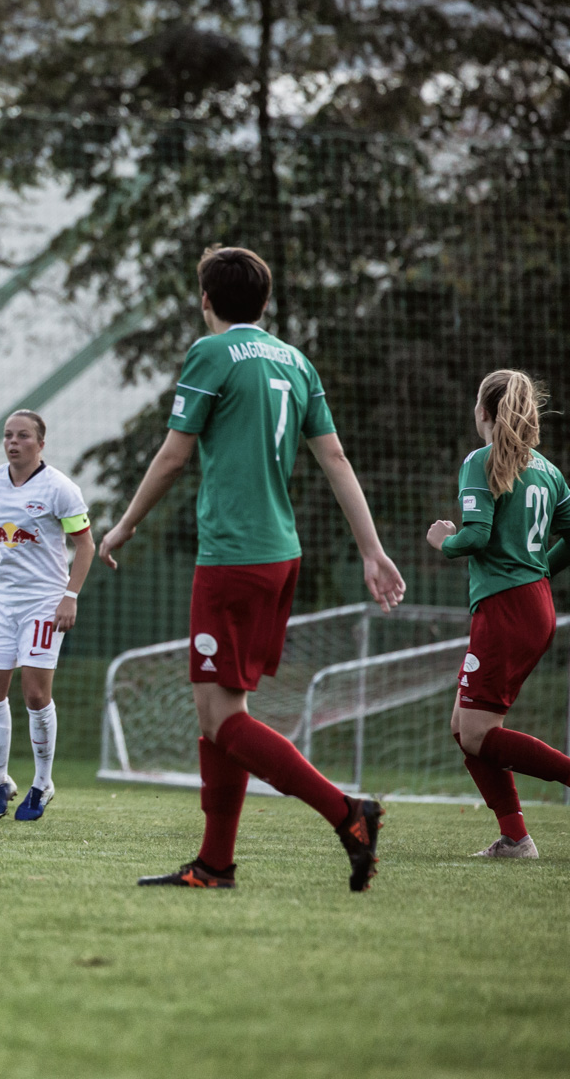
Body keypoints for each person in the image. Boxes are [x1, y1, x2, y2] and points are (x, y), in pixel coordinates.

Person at [100, 246, 406, 891]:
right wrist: (372, 549)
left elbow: (174, 455)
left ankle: (347, 811)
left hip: (233, 555)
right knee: (221, 710)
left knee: (219, 720)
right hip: (279, 553)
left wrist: (126, 523)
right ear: (263, 303)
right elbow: (338, 460)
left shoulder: (210, 353)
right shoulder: (295, 359)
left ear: (205, 300)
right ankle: (214, 864)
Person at [424, 369, 570, 859]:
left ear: (483, 412)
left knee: (476, 733)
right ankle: (514, 837)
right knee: (463, 728)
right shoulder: (547, 470)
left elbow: (475, 536)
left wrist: (443, 541)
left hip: (507, 610)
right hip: (535, 606)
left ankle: (521, 833)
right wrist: (539, 572)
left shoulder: (480, 461)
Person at [0, 410, 95, 821]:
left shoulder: (60, 489)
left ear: (41, 444)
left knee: (36, 694)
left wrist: (69, 596)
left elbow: (86, 545)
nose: (13, 442)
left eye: (23, 436)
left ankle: (42, 783)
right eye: (8, 435)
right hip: (1, 602)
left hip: (44, 601)